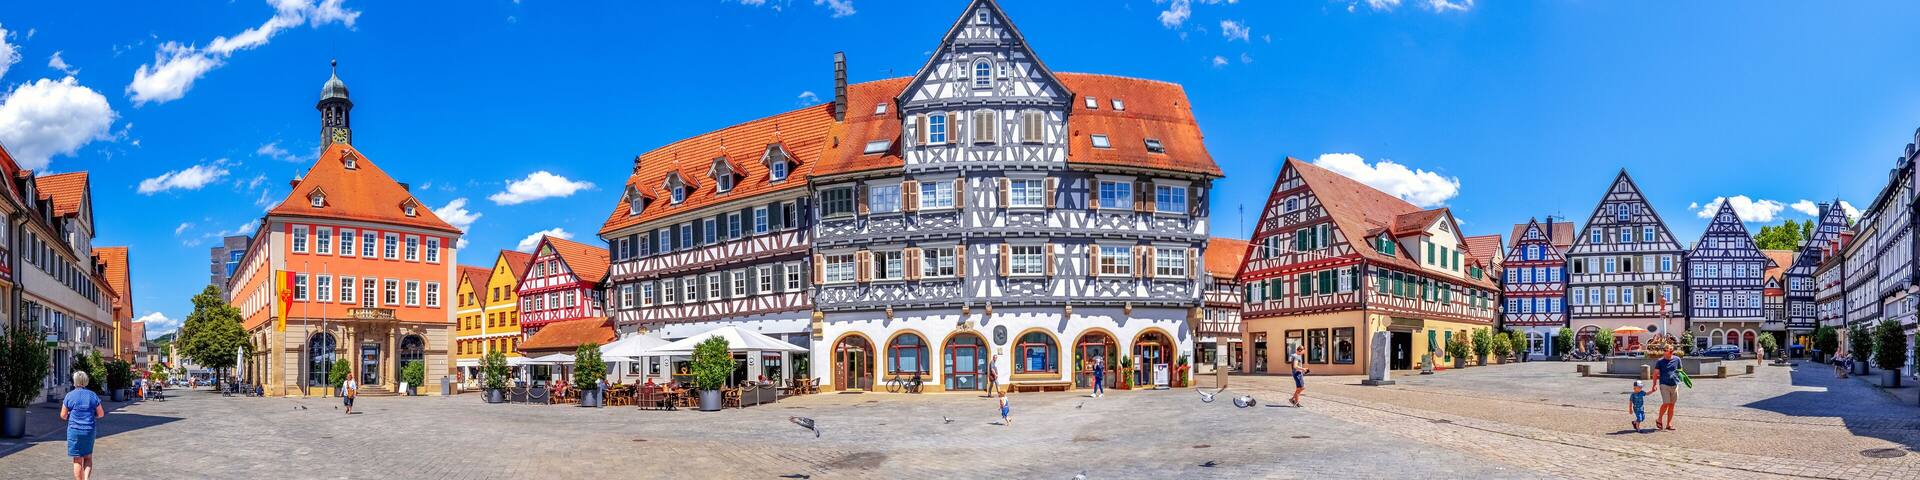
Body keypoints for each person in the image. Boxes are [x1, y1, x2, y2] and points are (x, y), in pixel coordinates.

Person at [62, 371, 105, 480]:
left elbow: (63, 415)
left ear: (75, 381)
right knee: (88, 457)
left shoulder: (69, 395)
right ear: (86, 381)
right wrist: (92, 414)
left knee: (77, 459)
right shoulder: (92, 395)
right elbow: (101, 414)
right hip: (88, 430)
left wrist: (70, 415)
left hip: (74, 430)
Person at [1653, 348, 1680, 431]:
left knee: (1672, 405)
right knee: (1666, 403)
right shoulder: (1660, 361)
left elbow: (1680, 370)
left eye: (1666, 350)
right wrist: (1654, 384)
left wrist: (1681, 376)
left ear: (1671, 352)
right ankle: (1659, 419)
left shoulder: (1677, 359)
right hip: (1664, 384)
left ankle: (1669, 424)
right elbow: (1655, 373)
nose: (1664, 352)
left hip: (1674, 385)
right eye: (1664, 350)